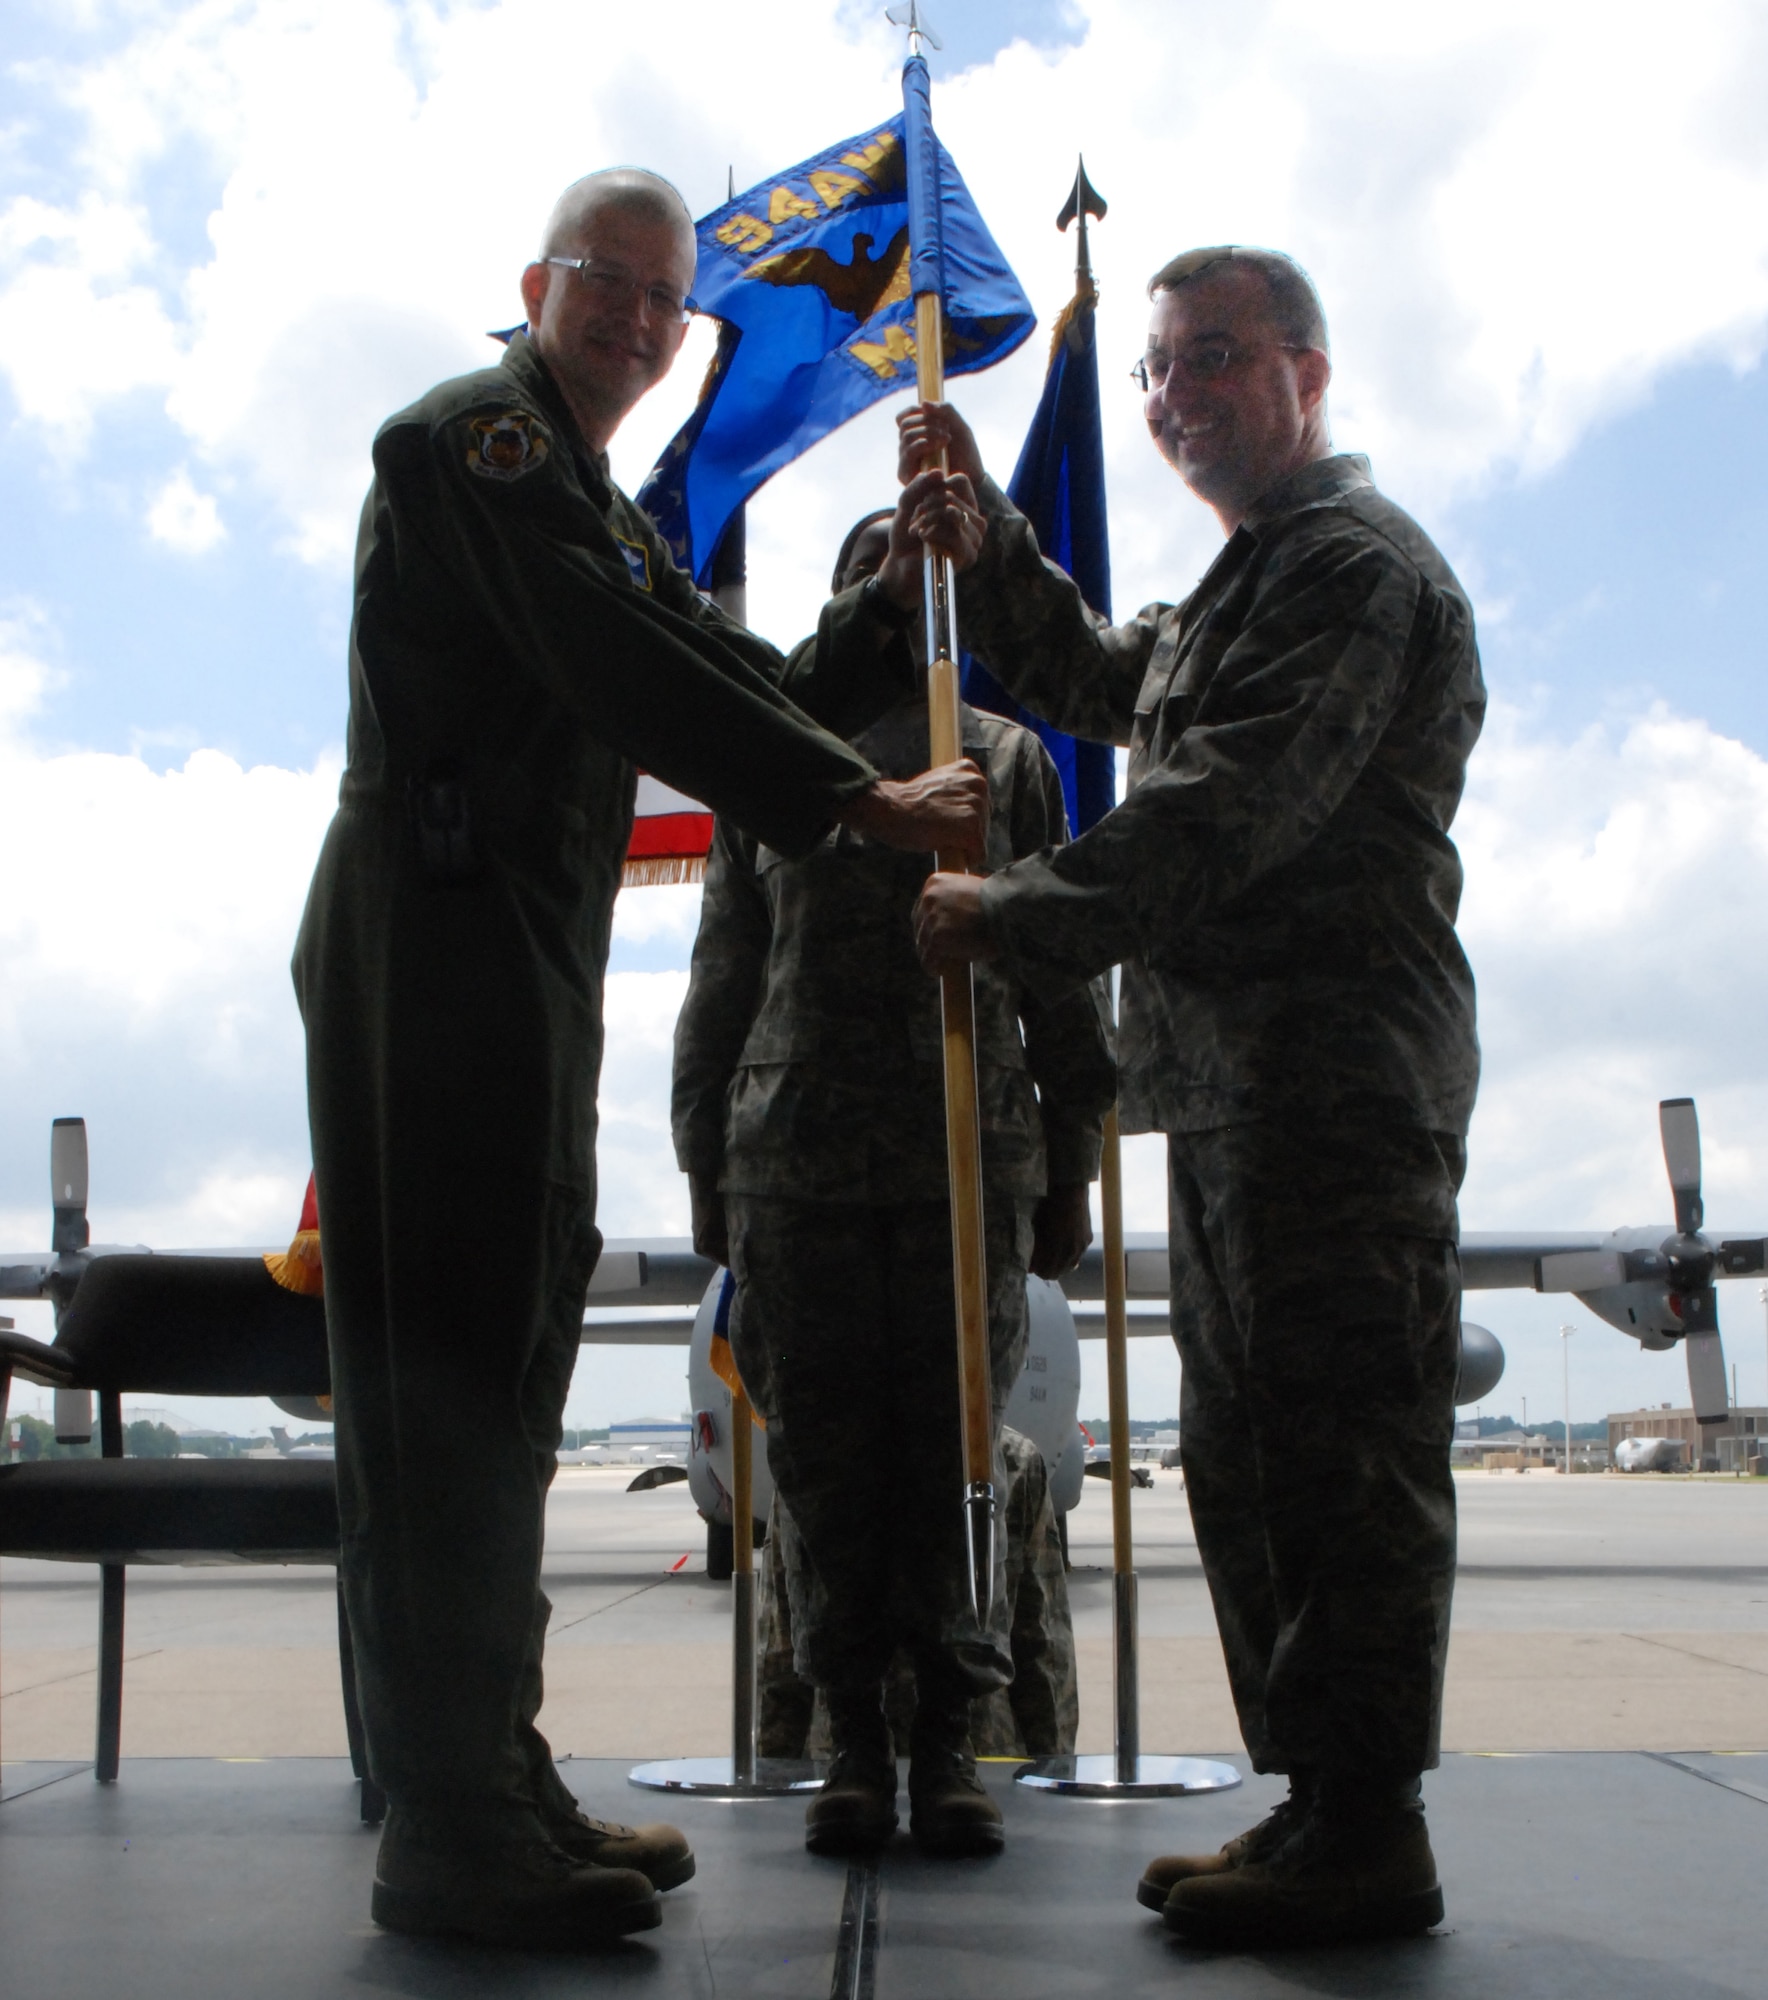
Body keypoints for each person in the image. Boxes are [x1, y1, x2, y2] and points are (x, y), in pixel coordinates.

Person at [291, 170, 988, 1949]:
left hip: (510, 951)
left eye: (663, 301)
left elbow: (692, 650)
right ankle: (443, 1822)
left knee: (511, 1369)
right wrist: (855, 800)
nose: (632, 319)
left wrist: (883, 595)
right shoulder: (475, 447)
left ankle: (489, 1767)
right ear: (536, 283)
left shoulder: (589, 503)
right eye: (604, 282)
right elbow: (622, 656)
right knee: (442, 1382)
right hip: (431, 942)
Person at [902, 246, 1485, 1946]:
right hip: (1239, 1095)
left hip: (1334, 1090)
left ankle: (1369, 1823)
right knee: (1249, 1460)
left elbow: (1215, 810)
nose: (1170, 398)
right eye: (1154, 372)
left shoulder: (1346, 574)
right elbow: (1100, 681)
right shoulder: (1241, 589)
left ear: (1309, 370)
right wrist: (984, 542)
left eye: (1210, 360)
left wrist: (1005, 913)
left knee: (1341, 1458)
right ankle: (1320, 1805)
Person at [672, 506, 1113, 1858]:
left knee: (959, 1466)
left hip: (964, 1164)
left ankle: (951, 1747)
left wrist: (1071, 1168)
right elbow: (723, 977)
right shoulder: (774, 773)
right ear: (841, 597)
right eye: (870, 563)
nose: (896, 581)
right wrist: (705, 1165)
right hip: (794, 1167)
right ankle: (853, 1741)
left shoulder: (1007, 766)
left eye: (913, 566)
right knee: (823, 1471)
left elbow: (1060, 978)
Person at [755, 1426, 1079, 1766]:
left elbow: (780, 1647)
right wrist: (1052, 1767)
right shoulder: (1002, 1459)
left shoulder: (813, 1460)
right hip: (960, 1765)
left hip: (866, 1767)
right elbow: (1043, 1647)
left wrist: (773, 1771)